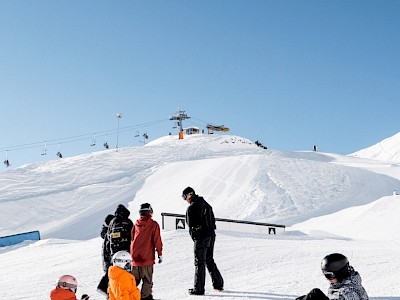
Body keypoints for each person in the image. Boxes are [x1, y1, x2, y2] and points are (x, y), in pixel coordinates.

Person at [182, 186, 224, 295]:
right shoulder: (206, 204)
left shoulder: (192, 208)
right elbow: (212, 221)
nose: (185, 200)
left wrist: (195, 237)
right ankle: (218, 284)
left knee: (199, 262)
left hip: (201, 237)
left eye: (184, 197)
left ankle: (199, 289)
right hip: (211, 235)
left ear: (189, 195)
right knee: (209, 259)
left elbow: (191, 226)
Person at [296, 253, 369, 300]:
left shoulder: (345, 294)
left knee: (315, 295)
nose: (327, 278)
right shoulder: (350, 282)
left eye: (330, 275)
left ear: (341, 273)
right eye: (324, 274)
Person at [130, 203, 163, 300]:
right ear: (150, 211)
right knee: (147, 280)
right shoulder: (153, 224)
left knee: (134, 281)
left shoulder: (136, 224)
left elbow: (132, 238)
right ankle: (145, 297)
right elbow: (157, 240)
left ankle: (131, 296)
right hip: (146, 257)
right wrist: (160, 254)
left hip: (135, 258)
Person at [97, 213, 115, 294]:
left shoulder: (106, 232)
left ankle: (107, 290)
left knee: (109, 275)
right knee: (110, 276)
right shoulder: (109, 233)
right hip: (108, 259)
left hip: (105, 259)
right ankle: (105, 289)